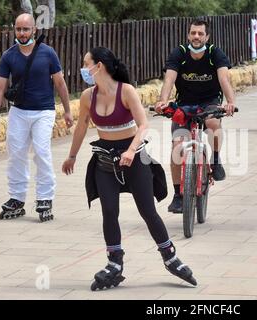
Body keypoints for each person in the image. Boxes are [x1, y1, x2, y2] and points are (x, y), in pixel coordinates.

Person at [62, 47, 197, 290]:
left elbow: (143, 124)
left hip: (135, 158)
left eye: (86, 63)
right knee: (109, 211)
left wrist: (131, 150)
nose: (84, 68)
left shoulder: (126, 91)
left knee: (147, 210)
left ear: (99, 65)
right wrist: (71, 156)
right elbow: (81, 126)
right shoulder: (87, 96)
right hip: (105, 161)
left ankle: (170, 257)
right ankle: (115, 263)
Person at [0, 13, 73, 221]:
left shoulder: (48, 53)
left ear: (34, 29)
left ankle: (45, 197)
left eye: (26, 29)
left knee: (41, 151)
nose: (22, 33)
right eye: (19, 29)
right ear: (14, 30)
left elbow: (60, 83)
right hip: (18, 111)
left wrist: (68, 110)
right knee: (15, 154)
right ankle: (17, 198)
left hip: (43, 111)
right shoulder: (9, 55)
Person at [155, 20, 236, 214]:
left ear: (207, 37)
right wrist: (163, 101)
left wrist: (230, 102)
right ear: (188, 35)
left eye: (200, 33)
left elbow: (224, 78)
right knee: (177, 147)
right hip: (185, 104)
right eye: (193, 33)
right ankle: (178, 195)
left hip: (210, 101)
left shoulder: (215, 53)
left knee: (212, 122)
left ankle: (215, 160)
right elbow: (169, 78)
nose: (196, 37)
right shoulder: (179, 53)